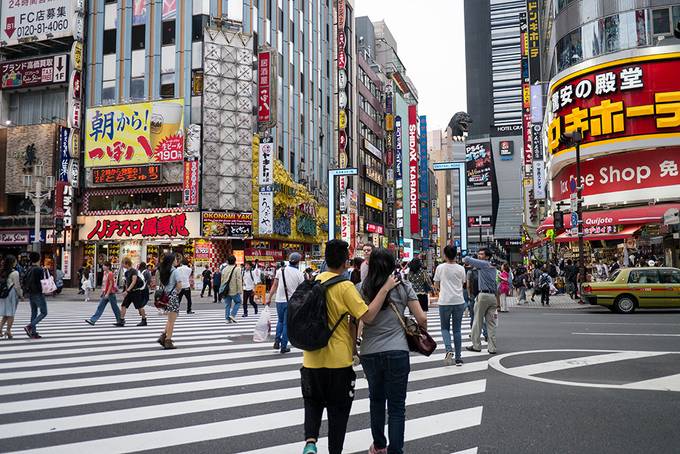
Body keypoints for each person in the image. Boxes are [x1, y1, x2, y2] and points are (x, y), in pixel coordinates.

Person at [301, 241, 400, 454]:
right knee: (338, 412)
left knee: (312, 403)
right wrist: (384, 289)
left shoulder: (312, 282)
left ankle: (310, 442)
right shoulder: (344, 287)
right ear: (346, 262)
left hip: (310, 359)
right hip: (338, 361)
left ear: (325, 259)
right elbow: (368, 316)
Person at [355, 247, 427, 454]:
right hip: (398, 351)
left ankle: (378, 445)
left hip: (370, 352)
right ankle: (396, 450)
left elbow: (363, 320)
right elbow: (421, 318)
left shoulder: (361, 288)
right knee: (397, 406)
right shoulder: (404, 286)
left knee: (376, 400)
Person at [434, 245, 467, 366]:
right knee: (457, 330)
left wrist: (439, 290)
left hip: (445, 301)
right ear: (456, 255)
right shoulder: (461, 268)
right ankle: (458, 358)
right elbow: (463, 283)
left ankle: (449, 350)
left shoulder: (440, 267)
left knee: (444, 328)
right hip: (458, 301)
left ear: (445, 255)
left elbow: (436, 284)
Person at [267, 252, 305, 353]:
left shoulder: (281, 270)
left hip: (279, 300)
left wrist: (269, 297)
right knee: (286, 324)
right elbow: (302, 290)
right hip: (291, 302)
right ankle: (283, 346)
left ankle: (276, 341)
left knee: (280, 321)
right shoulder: (299, 274)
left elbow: (274, 285)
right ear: (298, 262)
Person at [464, 248, 499, 355]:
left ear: (487, 256)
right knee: (491, 324)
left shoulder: (484, 264)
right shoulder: (493, 267)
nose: (479, 255)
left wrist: (472, 256)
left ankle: (476, 345)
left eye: (481, 254)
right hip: (492, 296)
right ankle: (492, 348)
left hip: (483, 296)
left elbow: (466, 259)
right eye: (478, 254)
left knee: (477, 321)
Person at [157, 253, 183, 349]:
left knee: (169, 319)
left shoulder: (163, 271)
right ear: (172, 261)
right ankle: (168, 340)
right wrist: (177, 291)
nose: (177, 260)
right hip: (173, 297)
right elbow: (179, 285)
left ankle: (163, 336)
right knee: (172, 321)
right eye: (175, 259)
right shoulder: (175, 271)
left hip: (166, 296)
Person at [85, 261, 121, 325]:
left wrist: (107, 293)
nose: (103, 266)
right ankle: (93, 320)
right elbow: (104, 284)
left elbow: (111, 284)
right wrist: (103, 292)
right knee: (100, 306)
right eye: (103, 265)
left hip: (110, 293)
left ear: (108, 267)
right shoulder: (104, 273)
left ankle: (120, 320)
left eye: (104, 265)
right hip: (105, 293)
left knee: (115, 307)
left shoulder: (110, 274)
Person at [115, 256, 148, 327]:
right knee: (123, 305)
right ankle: (121, 320)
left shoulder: (134, 271)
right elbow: (127, 282)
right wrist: (125, 291)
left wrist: (127, 290)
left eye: (123, 263)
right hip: (129, 292)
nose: (122, 265)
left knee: (140, 307)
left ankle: (144, 320)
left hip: (136, 292)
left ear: (126, 263)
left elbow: (134, 281)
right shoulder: (126, 272)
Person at [23, 251, 47, 339]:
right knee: (44, 312)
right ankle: (30, 326)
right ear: (39, 259)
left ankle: (33, 332)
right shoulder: (39, 269)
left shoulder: (29, 268)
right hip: (38, 293)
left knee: (34, 312)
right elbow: (41, 282)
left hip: (30, 293)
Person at [0, 255, 23, 339]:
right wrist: (21, 295)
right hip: (11, 294)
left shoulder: (2, 271)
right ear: (13, 262)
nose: (16, 262)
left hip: (3, 294)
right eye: (15, 261)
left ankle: (0, 328)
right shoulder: (15, 272)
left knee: (6, 313)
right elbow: (17, 286)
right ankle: (8, 331)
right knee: (11, 313)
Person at [221, 255, 243, 323]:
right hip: (234, 289)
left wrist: (222, 289)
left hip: (226, 290)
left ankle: (227, 319)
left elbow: (222, 280)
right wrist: (240, 290)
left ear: (227, 261)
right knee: (238, 302)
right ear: (234, 261)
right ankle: (232, 315)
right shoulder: (237, 269)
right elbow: (239, 280)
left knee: (227, 304)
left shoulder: (224, 269)